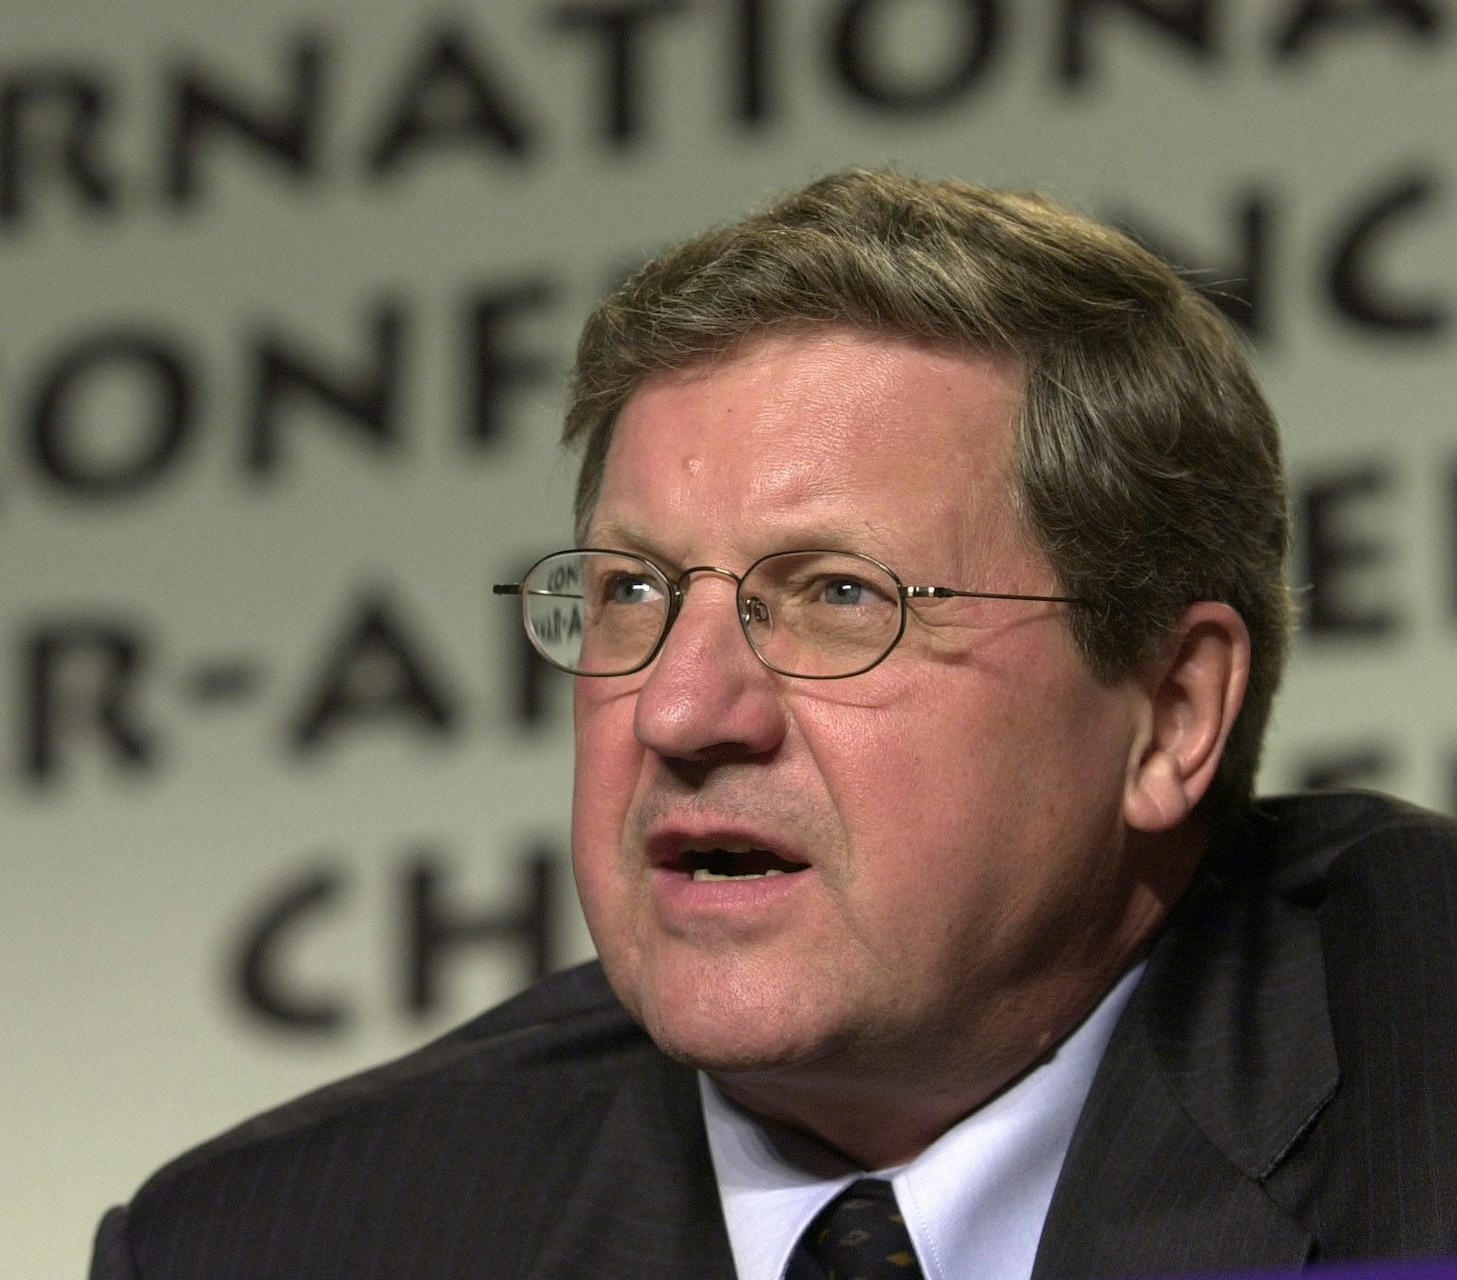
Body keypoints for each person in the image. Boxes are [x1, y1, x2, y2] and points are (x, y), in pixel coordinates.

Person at [90, 170, 1457, 1280]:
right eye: (633, 593)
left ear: (1169, 716)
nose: (682, 710)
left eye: (836, 599)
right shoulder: (273, 1248)